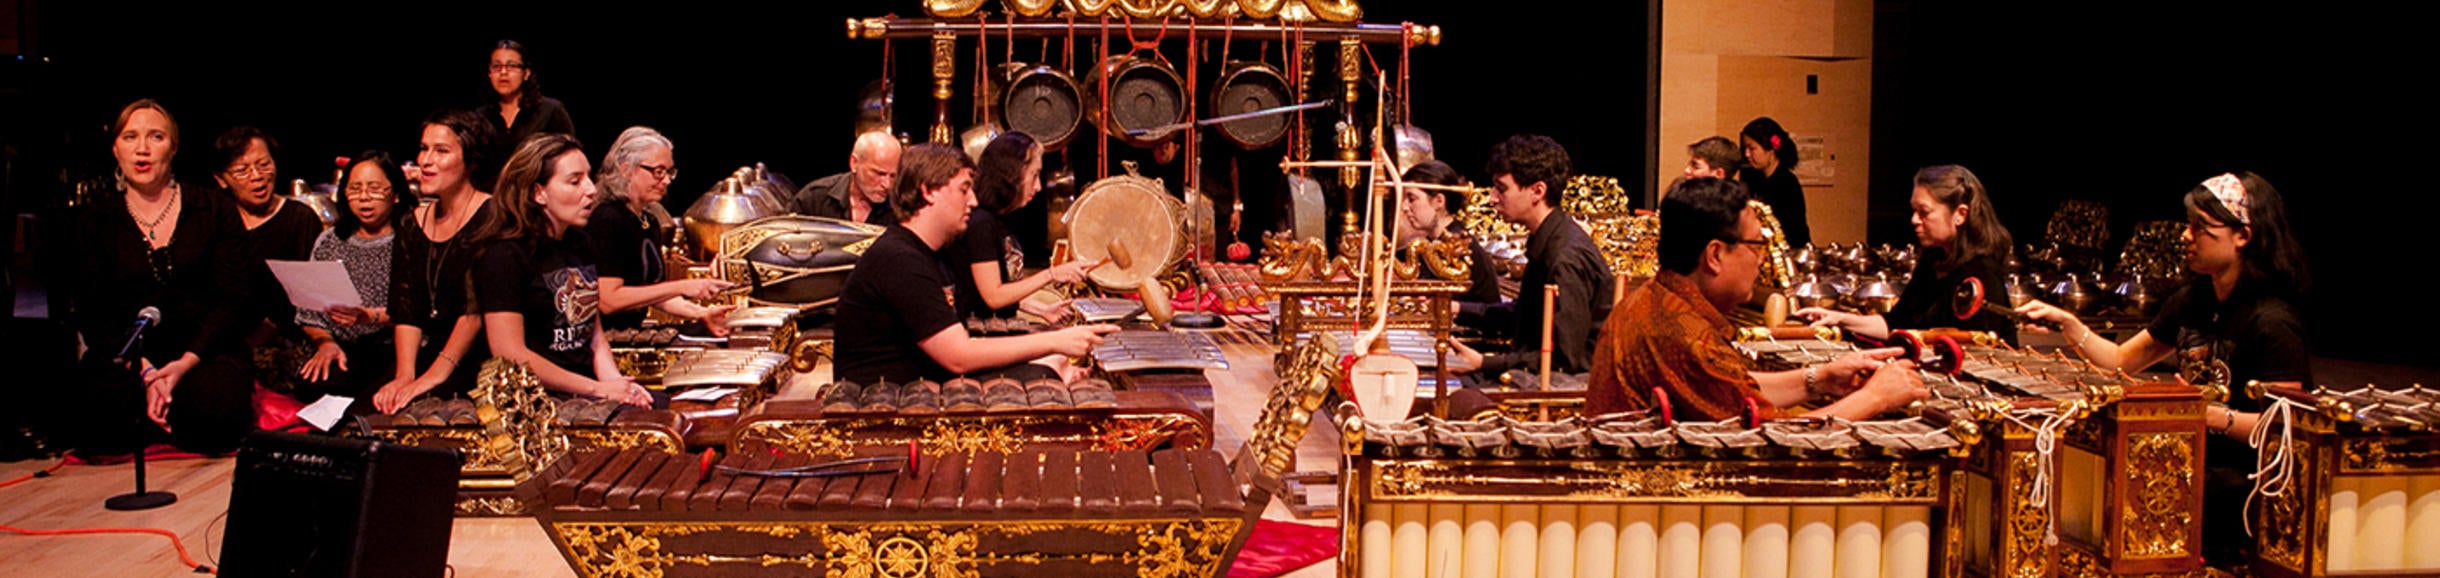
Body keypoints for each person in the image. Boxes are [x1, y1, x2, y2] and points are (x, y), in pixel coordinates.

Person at [2015, 171, 2310, 568]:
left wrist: (2206, 415)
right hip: (2195, 459)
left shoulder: (2273, 322)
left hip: (2247, 478)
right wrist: (2070, 324)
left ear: (2243, 235)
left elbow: (2284, 428)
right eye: (2188, 226)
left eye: (2201, 228)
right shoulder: (2193, 300)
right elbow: (2122, 362)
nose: (2186, 236)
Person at [1588, 177, 1925, 422]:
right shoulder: (1682, 335)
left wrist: (1819, 378)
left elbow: (1731, 390)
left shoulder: (1658, 299)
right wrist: (1876, 397)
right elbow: (1785, 444)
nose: (1762, 260)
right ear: (1715, 255)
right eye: (1756, 246)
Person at [61, 99, 258, 456]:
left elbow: (233, 300)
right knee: (94, 418)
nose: (142, 148)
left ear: (174, 146)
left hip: (202, 352)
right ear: (115, 148)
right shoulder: (95, 219)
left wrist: (183, 364)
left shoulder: (213, 209)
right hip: (129, 356)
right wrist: (146, 371)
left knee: (216, 414)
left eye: (155, 137)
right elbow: (92, 310)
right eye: (130, 137)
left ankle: (172, 411)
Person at [832, 143, 1120, 385]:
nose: (972, 200)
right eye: (964, 189)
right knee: (1049, 369)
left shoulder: (924, 253)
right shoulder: (899, 259)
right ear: (928, 191)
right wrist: (1057, 341)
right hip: (885, 400)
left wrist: (1051, 345)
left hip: (921, 382)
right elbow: (958, 356)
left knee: (1051, 363)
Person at [468, 134, 652, 407]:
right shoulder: (504, 255)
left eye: (589, 177)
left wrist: (619, 386)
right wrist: (598, 389)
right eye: (574, 181)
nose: (591, 189)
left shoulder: (579, 242)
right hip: (537, 402)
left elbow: (593, 333)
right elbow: (510, 353)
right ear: (538, 193)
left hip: (587, 391)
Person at [1448, 135, 1613, 383]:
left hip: (1563, 389)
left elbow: (1564, 359)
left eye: (1501, 188)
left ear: (1537, 191)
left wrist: (1484, 363)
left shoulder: (1566, 258)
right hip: (1537, 376)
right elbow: (1526, 316)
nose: (1492, 198)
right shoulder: (1549, 239)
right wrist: (1458, 309)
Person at [374, 110, 503, 414]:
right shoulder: (411, 222)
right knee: (367, 412)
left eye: (441, 151)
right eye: (423, 148)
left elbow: (475, 311)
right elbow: (406, 309)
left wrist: (431, 377)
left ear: (470, 160)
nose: (426, 160)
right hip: (427, 355)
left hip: (478, 359)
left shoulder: (493, 217)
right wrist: (405, 376)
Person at [1799, 165, 2018, 343]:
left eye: (1924, 212)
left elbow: (1977, 349)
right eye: (1913, 211)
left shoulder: (1981, 273)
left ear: (1960, 215)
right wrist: (1840, 319)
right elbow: (1895, 323)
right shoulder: (1933, 261)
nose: (1914, 220)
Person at [588, 126, 733, 332]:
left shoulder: (649, 221)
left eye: (669, 172)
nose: (665, 180)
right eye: (658, 172)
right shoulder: (607, 219)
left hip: (630, 332)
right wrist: (682, 286)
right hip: (604, 339)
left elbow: (654, 295)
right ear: (625, 169)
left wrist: (700, 313)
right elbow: (609, 300)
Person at [294, 152, 409, 407]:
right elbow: (309, 312)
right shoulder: (331, 241)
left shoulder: (411, 240)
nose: (364, 197)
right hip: (342, 346)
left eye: (375, 188)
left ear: (396, 193)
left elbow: (417, 310)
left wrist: (368, 316)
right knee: (316, 384)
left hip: (395, 347)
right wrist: (325, 343)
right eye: (355, 189)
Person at [942, 132, 1097, 320]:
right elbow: (993, 296)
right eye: (1034, 175)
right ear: (1011, 174)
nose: (1038, 186)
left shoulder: (999, 221)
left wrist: (1042, 310)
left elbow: (998, 287)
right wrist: (1052, 274)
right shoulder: (981, 223)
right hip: (978, 339)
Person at [213, 126, 323, 338]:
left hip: (288, 335)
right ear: (221, 179)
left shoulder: (300, 219)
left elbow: (314, 297)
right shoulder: (214, 219)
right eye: (242, 170)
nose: (257, 176)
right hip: (224, 334)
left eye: (264, 165)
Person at [1393, 160, 1501, 313]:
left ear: (1439, 201)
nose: (1404, 207)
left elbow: (1492, 310)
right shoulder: (1431, 243)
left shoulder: (1460, 245)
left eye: (1412, 199)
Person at [478, 39, 575, 147]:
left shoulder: (550, 111)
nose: (503, 72)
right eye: (496, 66)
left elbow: (571, 155)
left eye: (511, 66)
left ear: (526, 73)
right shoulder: (480, 117)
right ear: (489, 73)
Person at [794, 131, 903, 225]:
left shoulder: (901, 207)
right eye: (879, 173)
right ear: (854, 163)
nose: (887, 184)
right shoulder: (814, 199)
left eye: (893, 176)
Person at [1737, 117, 1810, 246]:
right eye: (1745, 149)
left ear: (1770, 149)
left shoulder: (1787, 183)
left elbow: (1792, 229)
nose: (1747, 154)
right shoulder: (1753, 178)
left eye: (1752, 149)